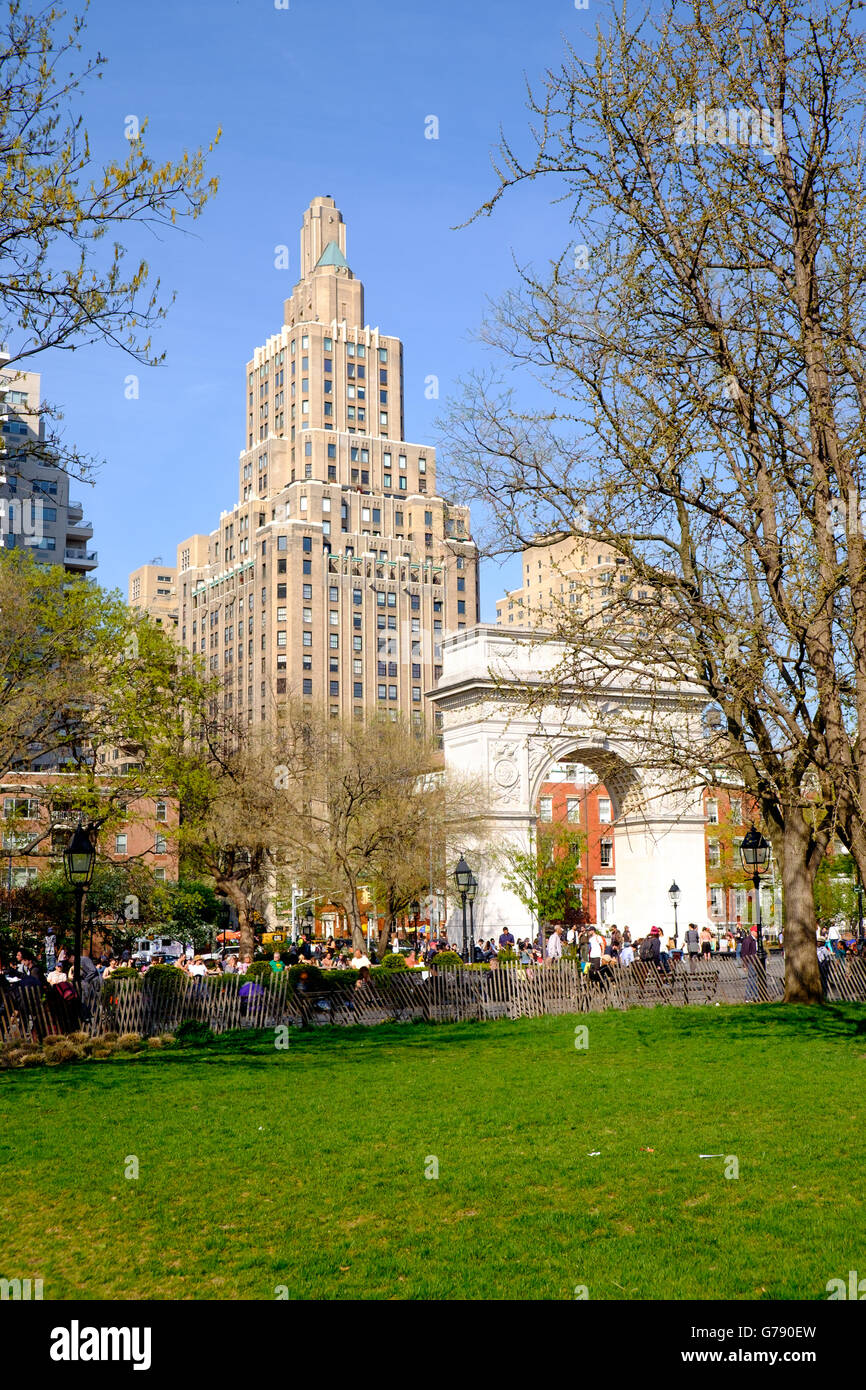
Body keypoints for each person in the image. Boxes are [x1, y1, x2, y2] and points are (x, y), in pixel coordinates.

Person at [741, 925, 759, 1000]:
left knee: (754, 979)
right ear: (753, 932)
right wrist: (745, 965)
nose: (758, 933)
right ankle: (749, 996)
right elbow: (745, 953)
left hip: (755, 962)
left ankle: (754, 995)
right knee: (751, 979)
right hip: (751, 962)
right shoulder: (748, 940)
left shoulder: (755, 940)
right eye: (756, 932)